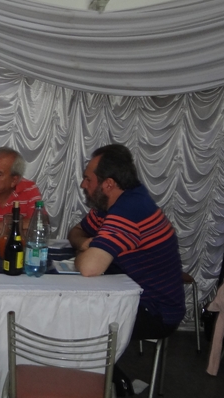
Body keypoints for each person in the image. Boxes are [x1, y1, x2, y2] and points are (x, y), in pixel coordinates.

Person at [68, 144, 185, 340]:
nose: (83, 185)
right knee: (76, 305)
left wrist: (83, 251)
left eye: (88, 179)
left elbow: (89, 268)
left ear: (108, 184)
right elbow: (76, 232)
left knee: (74, 315)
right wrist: (83, 244)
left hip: (155, 311)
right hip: (138, 295)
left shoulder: (129, 209)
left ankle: (86, 361)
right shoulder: (112, 203)